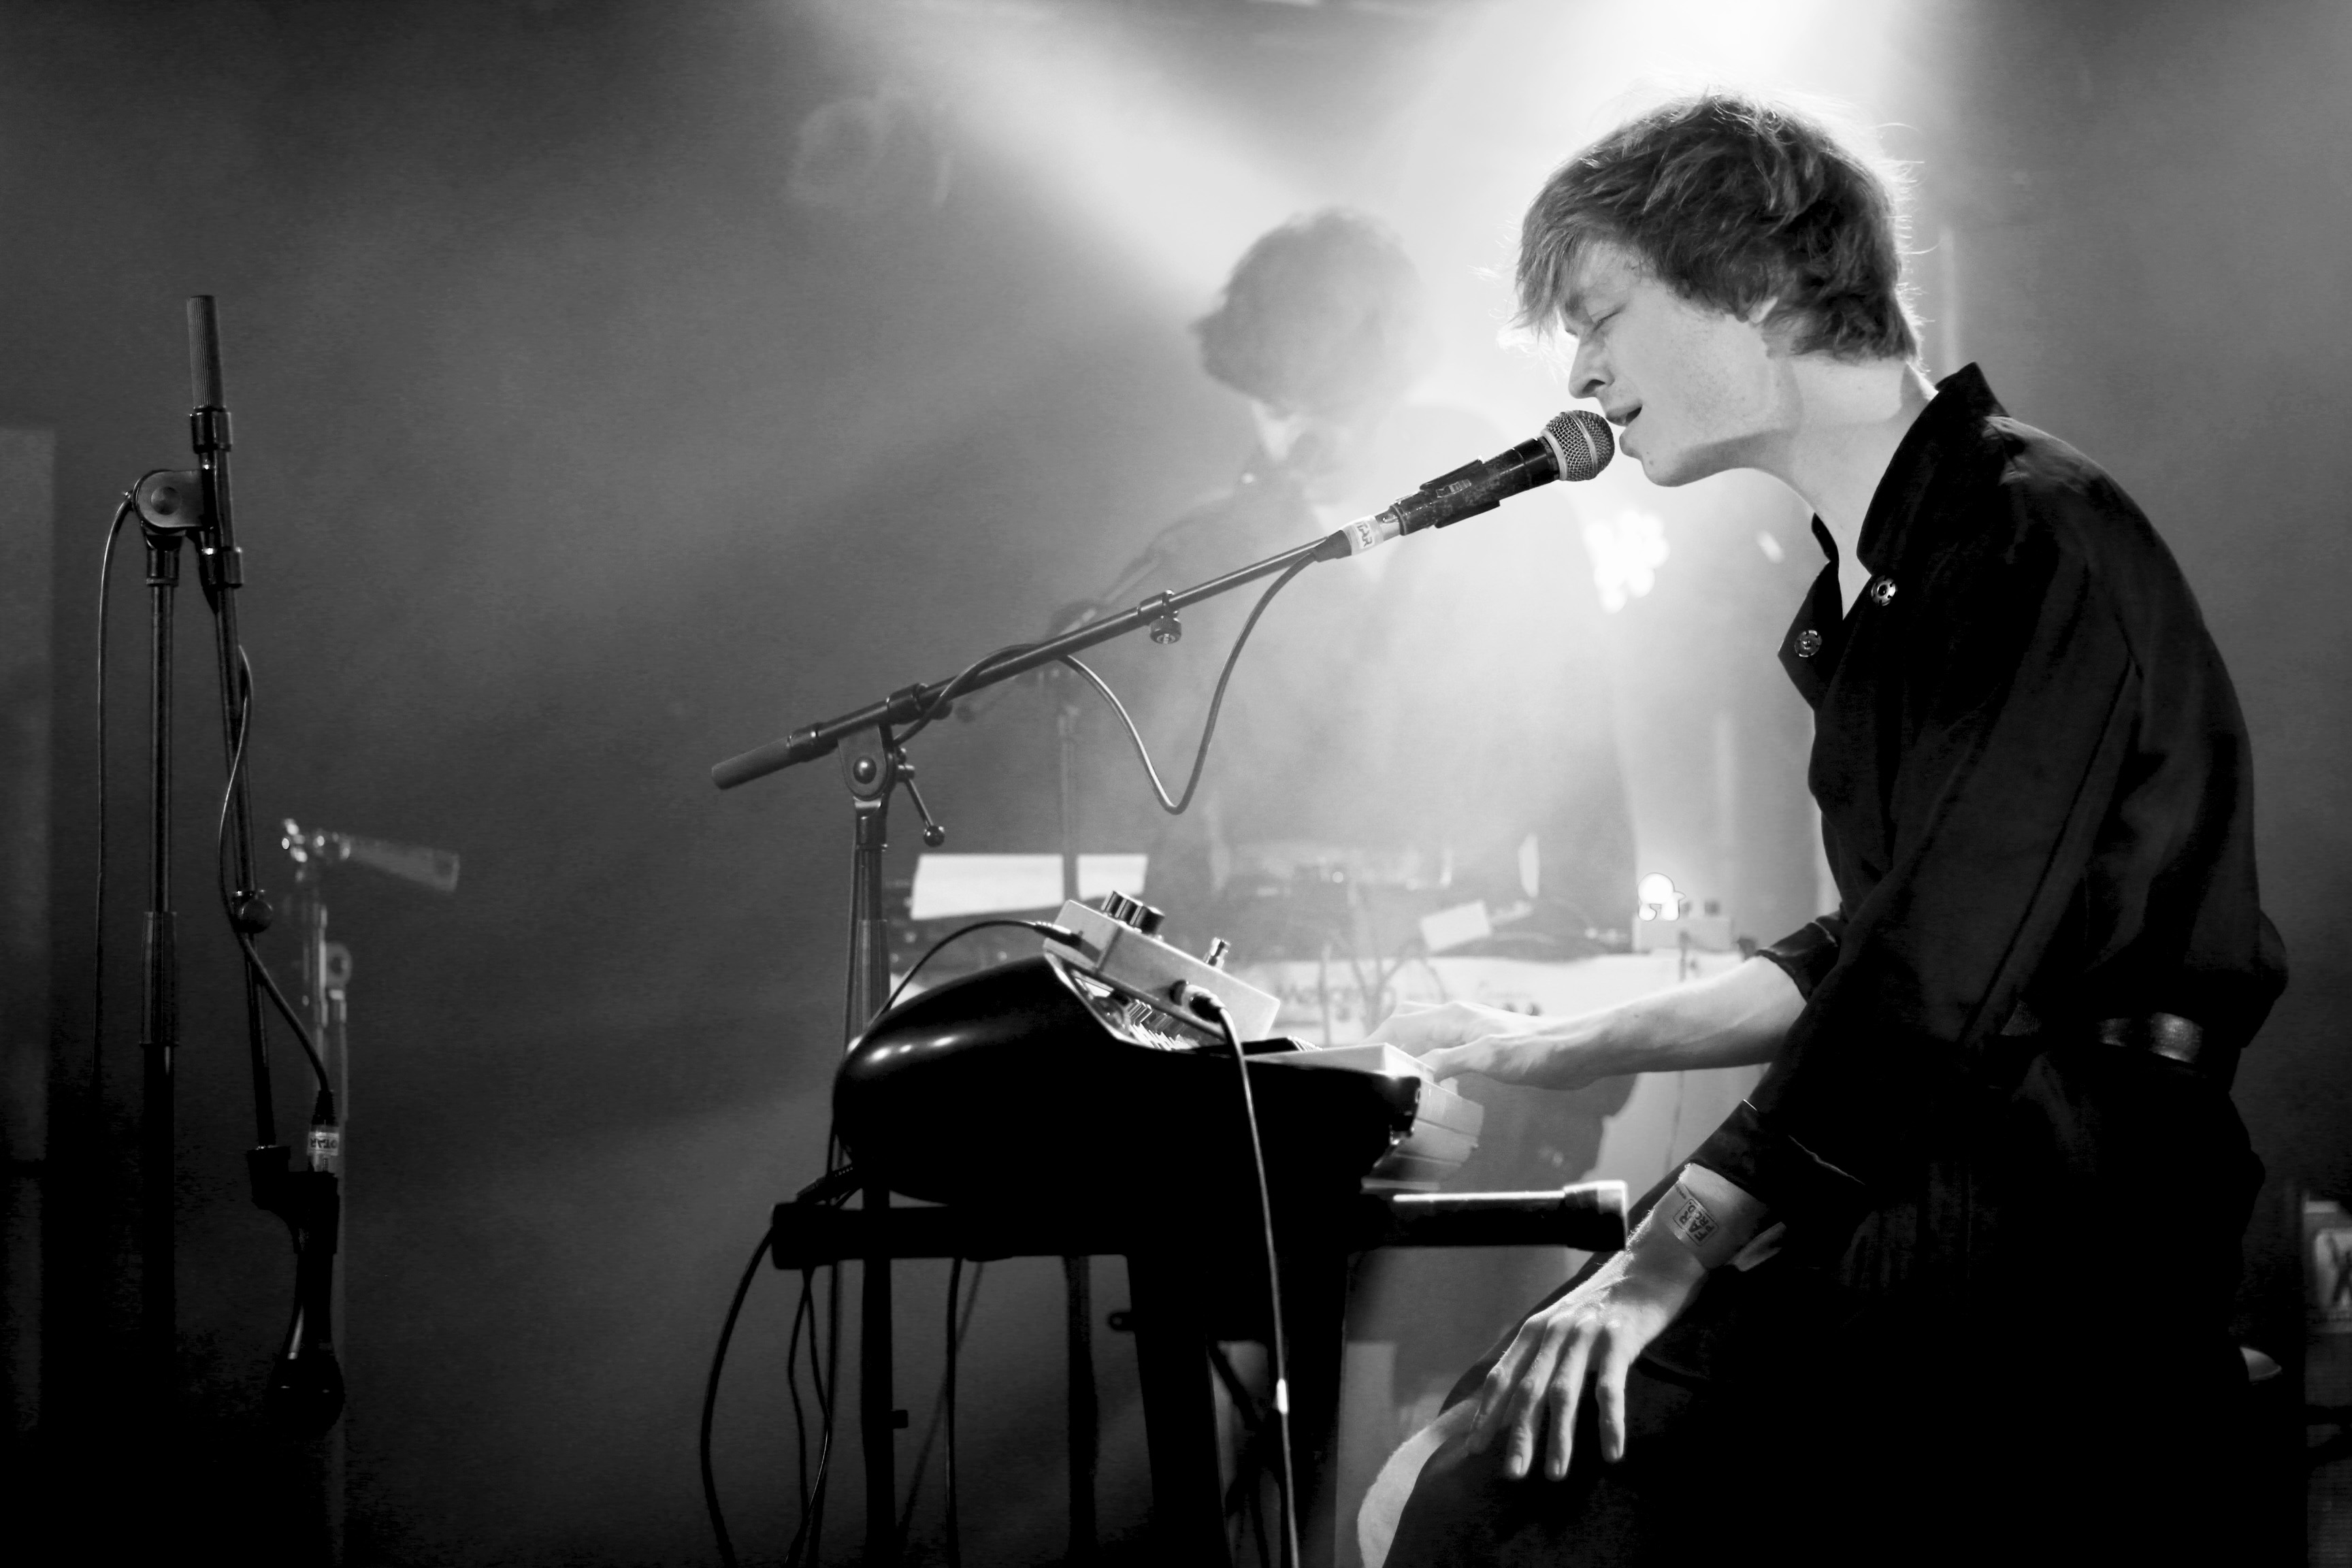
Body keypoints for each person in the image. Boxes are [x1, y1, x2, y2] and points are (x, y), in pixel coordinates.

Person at [1360, 93, 2285, 1567]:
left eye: (1602, 316)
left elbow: (1935, 972)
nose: (1581, 372)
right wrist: (1569, 1043)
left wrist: (1670, 1252)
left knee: (1480, 1505)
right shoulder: (1882, 578)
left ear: (1755, 284)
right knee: (1435, 1479)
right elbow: (1880, 940)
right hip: (1948, 1159)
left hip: (2055, 1206)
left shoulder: (2023, 535)